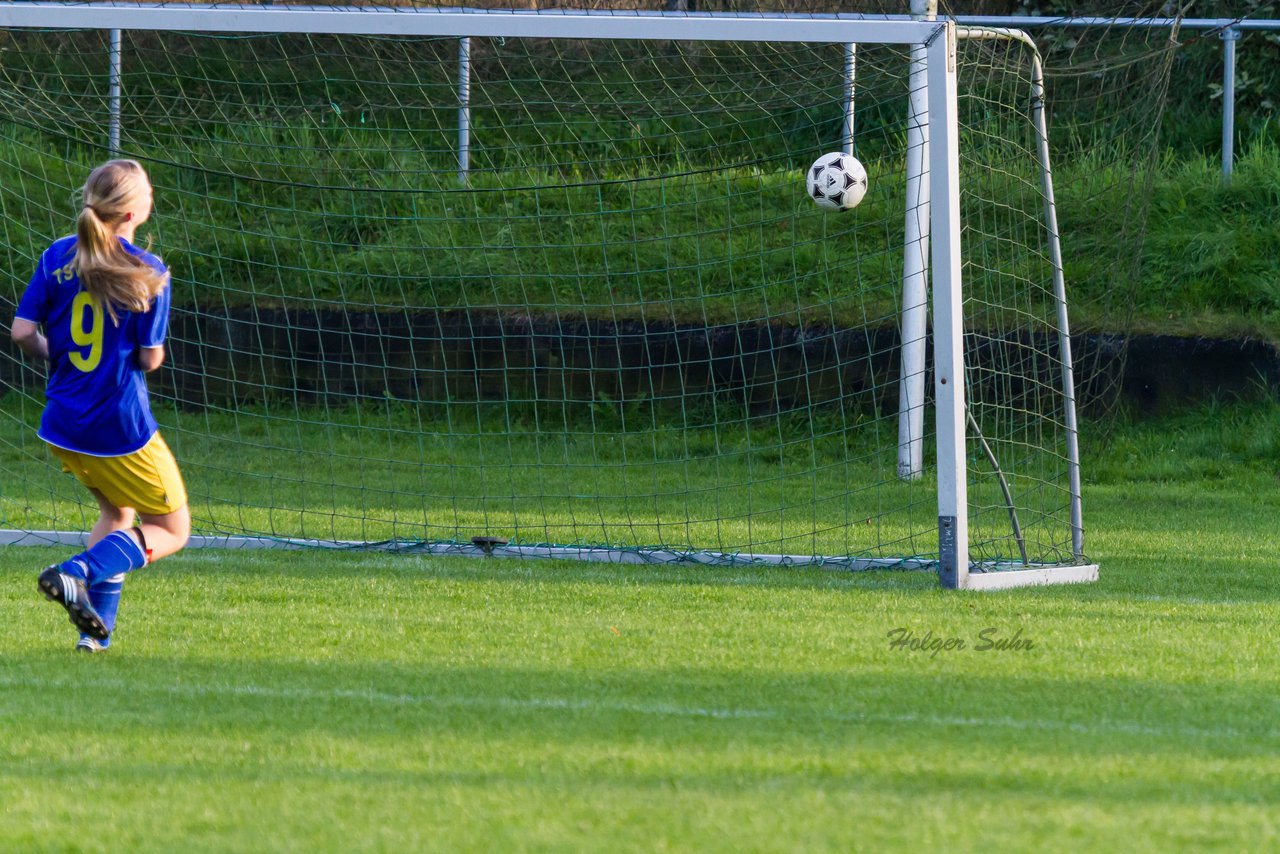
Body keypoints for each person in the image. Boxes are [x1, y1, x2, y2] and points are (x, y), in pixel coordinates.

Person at [11, 159, 190, 653]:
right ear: (132, 211)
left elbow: (23, 332)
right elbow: (151, 359)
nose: (153, 194)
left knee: (118, 513)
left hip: (62, 425)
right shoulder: (149, 270)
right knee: (173, 529)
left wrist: (58, 355)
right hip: (120, 428)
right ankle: (76, 571)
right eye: (149, 189)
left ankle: (94, 638)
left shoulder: (55, 255)